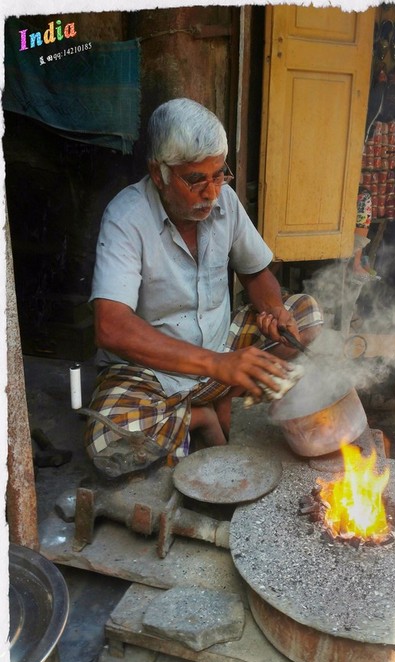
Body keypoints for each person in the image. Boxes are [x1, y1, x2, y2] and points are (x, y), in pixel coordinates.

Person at [85, 98, 323, 463]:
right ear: (158, 173)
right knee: (106, 440)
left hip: (219, 349)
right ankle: (202, 415)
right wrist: (217, 365)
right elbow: (111, 327)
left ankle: (218, 397)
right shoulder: (126, 217)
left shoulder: (223, 201)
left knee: (306, 315)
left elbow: (255, 271)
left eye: (218, 174)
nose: (211, 192)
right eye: (196, 179)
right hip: (153, 372)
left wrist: (273, 310)